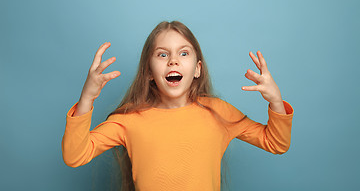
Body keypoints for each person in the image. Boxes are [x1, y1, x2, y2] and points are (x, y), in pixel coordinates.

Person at [61, 21, 294, 191]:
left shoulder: (218, 112)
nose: (173, 60)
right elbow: (75, 155)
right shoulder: (129, 120)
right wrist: (87, 99)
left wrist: (275, 101)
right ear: (149, 73)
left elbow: (276, 143)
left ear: (197, 69)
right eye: (162, 55)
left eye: (183, 53)